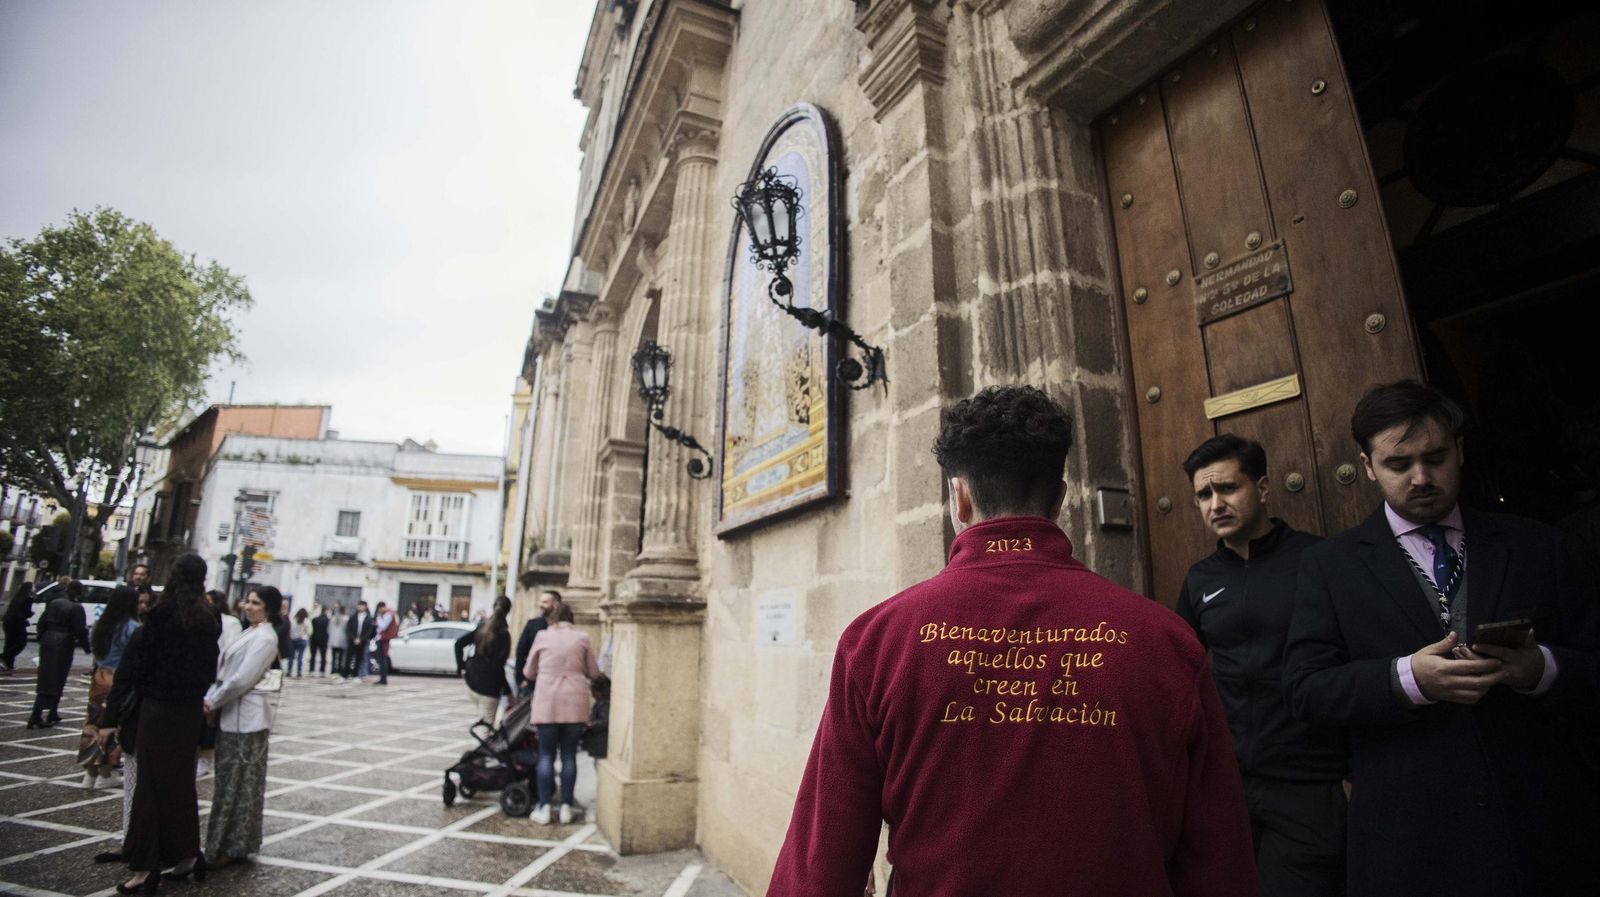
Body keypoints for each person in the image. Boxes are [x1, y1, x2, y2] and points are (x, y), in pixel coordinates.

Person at [767, 386, 1257, 896]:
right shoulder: (1167, 641)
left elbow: (819, 862)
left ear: (960, 497)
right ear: (1060, 497)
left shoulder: (875, 642)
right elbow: (1219, 860)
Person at [1284, 380, 1600, 897]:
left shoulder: (1536, 544)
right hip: (1411, 841)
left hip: (1542, 832)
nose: (1421, 477)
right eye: (1398, 464)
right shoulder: (1328, 566)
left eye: (1435, 457)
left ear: (1460, 450)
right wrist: (1408, 679)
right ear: (1366, 466)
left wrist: (1540, 669)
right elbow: (1306, 690)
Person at [1176, 434, 1345, 897]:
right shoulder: (1200, 579)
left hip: (1308, 781)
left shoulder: (1319, 560)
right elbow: (1177, 672)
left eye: (1228, 488)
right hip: (1229, 784)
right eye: (1204, 495)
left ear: (1264, 488)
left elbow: (1353, 662)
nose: (1216, 504)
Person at [96, 553, 219, 894]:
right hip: (188, 711)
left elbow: (139, 663)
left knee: (149, 786)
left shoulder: (162, 614)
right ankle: (188, 855)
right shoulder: (209, 617)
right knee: (180, 784)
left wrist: (116, 714)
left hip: (159, 708)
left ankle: (144, 867)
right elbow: (210, 668)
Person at [203, 585, 281, 868]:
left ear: (268, 608)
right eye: (247, 601)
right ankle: (230, 843)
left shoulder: (265, 637)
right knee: (230, 784)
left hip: (246, 722)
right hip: (232, 716)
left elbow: (241, 679)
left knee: (239, 786)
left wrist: (212, 702)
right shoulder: (250, 632)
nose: (248, 607)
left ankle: (229, 845)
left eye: (255, 603)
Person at [523, 603, 601, 825]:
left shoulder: (542, 636)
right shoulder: (582, 638)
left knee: (546, 755)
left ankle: (545, 807)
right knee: (569, 756)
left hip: (548, 700)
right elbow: (593, 671)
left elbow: (528, 671)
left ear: (554, 619)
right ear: (572, 619)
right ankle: (566, 807)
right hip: (575, 701)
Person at [81, 586, 141, 789]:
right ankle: (106, 772)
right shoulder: (131, 627)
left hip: (99, 675)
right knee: (113, 725)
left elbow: (92, 647)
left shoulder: (100, 624)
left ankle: (89, 773)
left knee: (92, 724)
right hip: (119, 679)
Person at [30, 577, 90, 729]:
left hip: (48, 641)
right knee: (58, 678)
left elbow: (42, 622)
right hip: (64, 643)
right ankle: (42, 714)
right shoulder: (76, 608)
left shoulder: (54, 603)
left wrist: (42, 637)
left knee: (45, 677)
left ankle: (46, 712)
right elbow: (80, 630)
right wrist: (87, 647)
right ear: (78, 592)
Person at [456, 595, 512, 725]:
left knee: (482, 724)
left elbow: (458, 644)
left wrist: (462, 667)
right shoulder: (503, 634)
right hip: (489, 689)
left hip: (473, 683)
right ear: (508, 611)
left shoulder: (482, 626)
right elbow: (497, 667)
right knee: (485, 731)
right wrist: (508, 691)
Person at [514, 590, 562, 696]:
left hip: (555, 684)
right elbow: (520, 651)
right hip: (532, 682)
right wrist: (520, 679)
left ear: (555, 604)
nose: (541, 605)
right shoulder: (533, 625)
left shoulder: (563, 627)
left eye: (545, 602)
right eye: (541, 602)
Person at [2, 580, 34, 672]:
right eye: (33, 587)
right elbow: (27, 612)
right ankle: (4, 657)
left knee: (10, 643)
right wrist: (31, 613)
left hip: (8, 622)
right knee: (21, 643)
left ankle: (9, 664)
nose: (34, 588)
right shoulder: (28, 598)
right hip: (18, 623)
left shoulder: (17, 596)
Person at [345, 600, 375, 679]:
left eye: (362, 606)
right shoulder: (353, 617)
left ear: (365, 607)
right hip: (352, 641)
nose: (360, 607)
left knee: (359, 658)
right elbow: (348, 629)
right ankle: (346, 673)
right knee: (348, 657)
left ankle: (356, 674)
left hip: (362, 642)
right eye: (359, 605)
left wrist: (361, 639)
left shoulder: (368, 618)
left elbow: (369, 631)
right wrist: (353, 638)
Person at [373, 601, 398, 685]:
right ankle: (382, 678)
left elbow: (383, 626)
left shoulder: (388, 614)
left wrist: (378, 618)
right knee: (381, 659)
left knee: (383, 659)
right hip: (381, 638)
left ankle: (383, 679)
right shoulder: (387, 614)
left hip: (384, 639)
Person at [289, 607, 311, 678]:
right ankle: (299, 671)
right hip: (303, 640)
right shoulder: (306, 621)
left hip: (293, 640)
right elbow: (310, 632)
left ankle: (289, 671)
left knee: (291, 657)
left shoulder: (293, 620)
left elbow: (290, 630)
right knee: (300, 657)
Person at [308, 605, 329, 677]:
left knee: (313, 655)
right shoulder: (328, 620)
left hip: (314, 639)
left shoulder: (315, 619)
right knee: (323, 656)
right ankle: (322, 670)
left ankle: (311, 670)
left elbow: (311, 630)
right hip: (323, 640)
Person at [328, 606, 349, 677]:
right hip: (342, 640)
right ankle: (339, 669)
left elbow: (329, 630)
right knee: (340, 657)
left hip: (333, 640)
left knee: (334, 656)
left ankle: (333, 669)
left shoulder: (333, 618)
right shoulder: (346, 619)